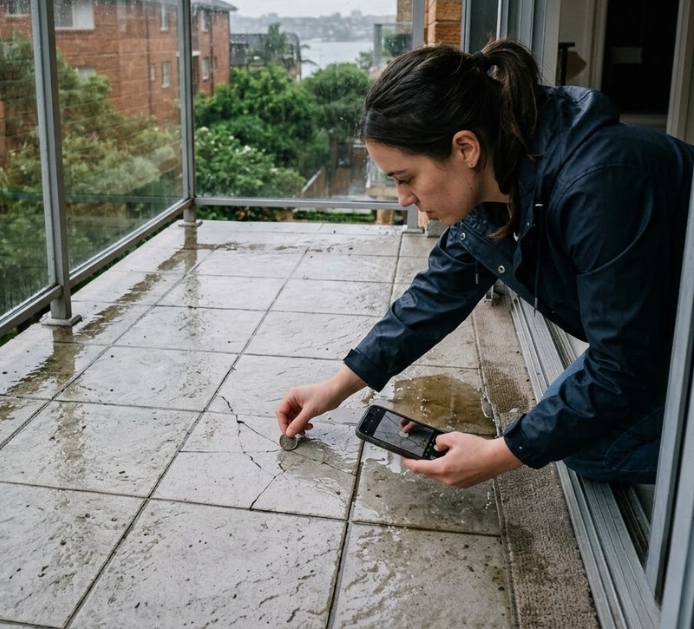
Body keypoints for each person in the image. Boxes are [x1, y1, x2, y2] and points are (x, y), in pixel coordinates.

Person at [276, 38, 694, 488]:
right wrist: (334, 388)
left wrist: (498, 454)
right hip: (667, 329)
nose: (403, 199)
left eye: (406, 178)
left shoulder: (600, 186)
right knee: (566, 422)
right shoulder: (498, 182)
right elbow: (434, 296)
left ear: (465, 148)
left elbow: (621, 366)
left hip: (670, 341)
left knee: (590, 448)